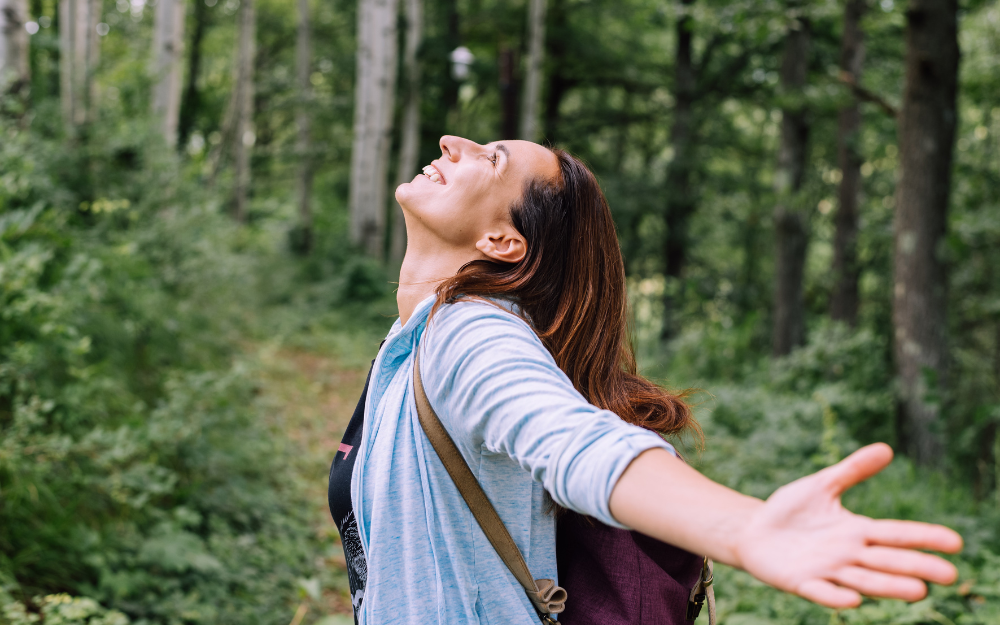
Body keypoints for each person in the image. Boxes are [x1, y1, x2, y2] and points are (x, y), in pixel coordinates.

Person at [327, 136, 963, 625]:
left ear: (503, 240)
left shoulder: (470, 335)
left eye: (489, 159)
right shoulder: (410, 338)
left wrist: (742, 527)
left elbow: (577, 443)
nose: (451, 143)